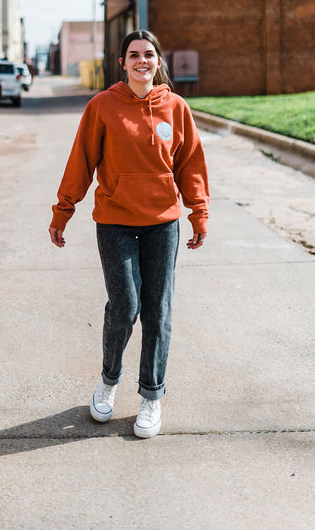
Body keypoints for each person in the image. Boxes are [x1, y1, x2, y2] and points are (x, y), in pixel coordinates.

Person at [48, 30, 209, 438]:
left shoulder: (175, 107)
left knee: (158, 309)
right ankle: (109, 380)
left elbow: (190, 164)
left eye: (149, 54)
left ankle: (151, 396)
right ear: (122, 63)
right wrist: (62, 211)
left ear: (158, 61)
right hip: (115, 220)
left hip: (162, 222)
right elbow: (81, 162)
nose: (142, 60)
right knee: (124, 306)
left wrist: (198, 212)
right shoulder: (102, 106)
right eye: (134, 54)